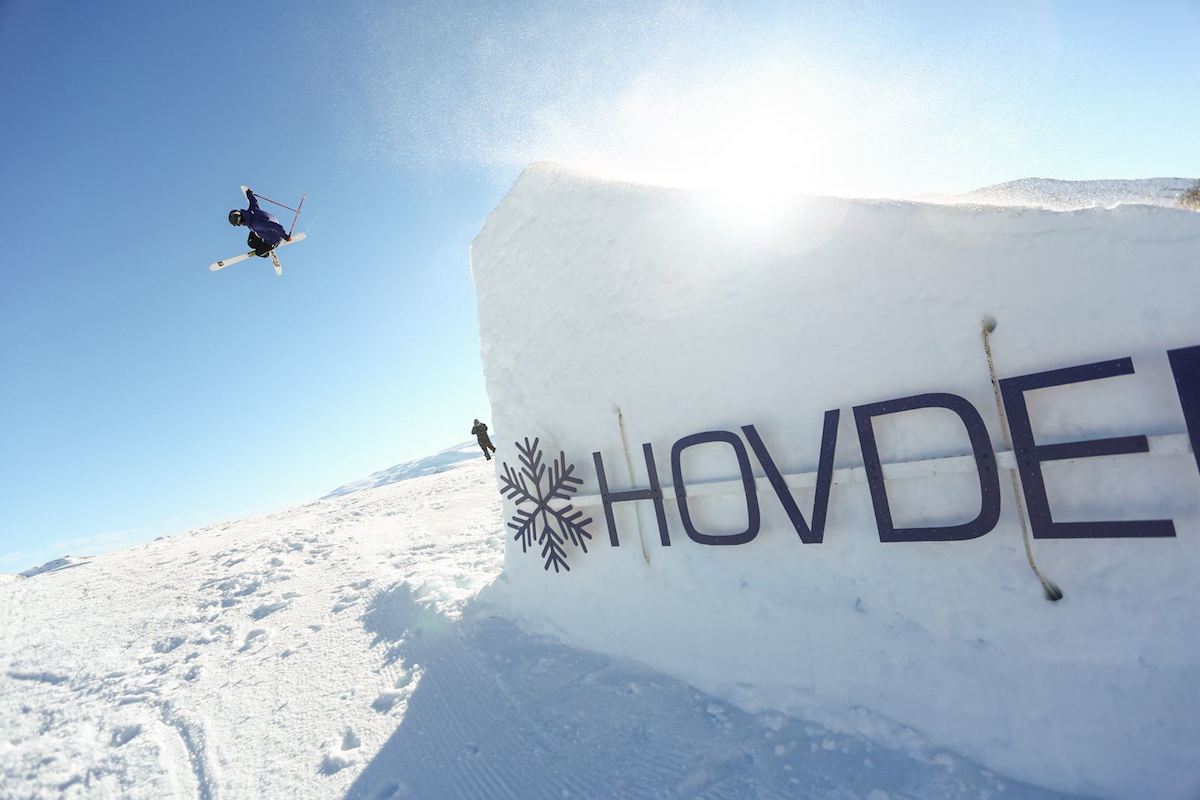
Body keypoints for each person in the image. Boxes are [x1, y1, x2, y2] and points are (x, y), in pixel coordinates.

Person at [228, 186, 291, 257]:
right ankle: (263, 245)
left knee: (259, 252)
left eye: (239, 224)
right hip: (266, 227)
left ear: (240, 220)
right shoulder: (252, 210)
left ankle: (266, 253)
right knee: (251, 243)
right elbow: (253, 201)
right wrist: (249, 193)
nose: (240, 225)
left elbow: (275, 226)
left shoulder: (256, 224)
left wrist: (285, 236)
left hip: (274, 239)